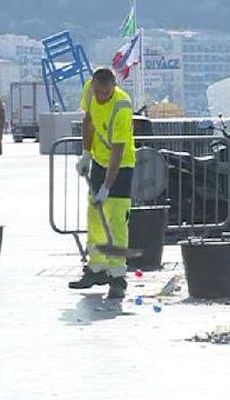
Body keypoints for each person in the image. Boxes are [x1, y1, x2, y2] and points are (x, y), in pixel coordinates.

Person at [69, 67, 136, 299]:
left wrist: (107, 187)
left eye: (105, 93)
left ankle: (117, 277)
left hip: (122, 165)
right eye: (98, 91)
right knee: (94, 216)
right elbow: (88, 120)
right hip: (98, 160)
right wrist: (86, 153)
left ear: (114, 86)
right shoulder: (90, 91)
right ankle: (96, 268)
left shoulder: (122, 106)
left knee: (117, 221)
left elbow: (118, 150)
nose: (100, 96)